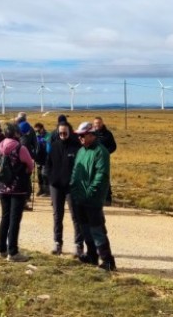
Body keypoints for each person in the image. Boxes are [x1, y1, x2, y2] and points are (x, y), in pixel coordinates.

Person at [70, 122, 117, 271]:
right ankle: (91, 256)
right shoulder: (81, 151)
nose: (80, 138)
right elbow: (76, 171)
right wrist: (73, 186)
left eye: (83, 135)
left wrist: (91, 191)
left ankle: (108, 260)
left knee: (97, 229)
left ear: (91, 134)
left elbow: (101, 175)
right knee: (85, 228)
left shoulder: (100, 151)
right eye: (78, 136)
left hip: (93, 198)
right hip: (79, 196)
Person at [0, 123, 35, 262]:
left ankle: (1, 249)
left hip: (2, 186)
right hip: (17, 187)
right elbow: (30, 165)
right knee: (14, 220)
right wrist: (27, 171)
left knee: (5, 217)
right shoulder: (20, 147)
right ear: (16, 133)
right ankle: (13, 252)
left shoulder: (0, 145)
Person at [46, 120, 83, 256]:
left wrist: (75, 181)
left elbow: (80, 167)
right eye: (60, 133)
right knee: (57, 215)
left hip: (71, 187)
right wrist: (51, 178)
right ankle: (57, 243)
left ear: (70, 132)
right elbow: (48, 164)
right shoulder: (54, 146)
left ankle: (78, 245)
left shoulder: (77, 147)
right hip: (56, 186)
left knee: (76, 216)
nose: (62, 135)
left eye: (65, 133)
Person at [92, 116, 116, 205]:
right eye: (95, 123)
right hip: (92, 160)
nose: (97, 125)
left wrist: (106, 153)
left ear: (102, 123)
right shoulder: (91, 134)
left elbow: (113, 146)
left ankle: (107, 199)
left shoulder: (108, 134)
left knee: (104, 178)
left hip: (103, 161)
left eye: (99, 123)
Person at [18, 119, 38, 210]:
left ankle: (23, 200)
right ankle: (25, 199)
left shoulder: (18, 138)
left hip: (18, 163)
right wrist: (34, 156)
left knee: (22, 181)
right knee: (26, 180)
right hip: (26, 162)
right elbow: (35, 145)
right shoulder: (25, 139)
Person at [33, 122, 50, 196]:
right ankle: (41, 189)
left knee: (45, 175)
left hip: (46, 158)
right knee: (39, 174)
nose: (37, 132)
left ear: (42, 129)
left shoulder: (48, 136)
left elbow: (49, 146)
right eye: (36, 131)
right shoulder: (36, 136)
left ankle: (47, 191)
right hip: (38, 158)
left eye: (38, 131)